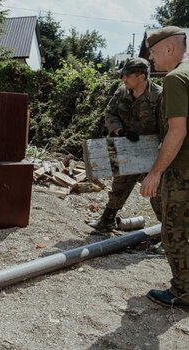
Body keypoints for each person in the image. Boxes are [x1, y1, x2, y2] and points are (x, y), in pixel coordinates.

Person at [140, 26, 189, 310]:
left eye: (154, 51)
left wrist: (155, 172)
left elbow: (177, 131)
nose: (150, 58)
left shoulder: (175, 79)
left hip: (182, 171)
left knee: (175, 231)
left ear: (170, 49)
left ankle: (183, 291)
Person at [88, 57, 163, 232]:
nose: (123, 79)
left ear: (142, 76)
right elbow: (110, 115)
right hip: (127, 145)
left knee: (157, 192)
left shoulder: (159, 96)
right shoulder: (121, 92)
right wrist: (121, 132)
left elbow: (167, 127)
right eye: (123, 75)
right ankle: (107, 220)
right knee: (120, 184)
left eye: (127, 75)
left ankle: (166, 232)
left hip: (152, 150)